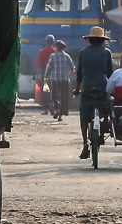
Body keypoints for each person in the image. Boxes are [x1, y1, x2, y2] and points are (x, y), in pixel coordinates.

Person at [75, 26, 116, 160]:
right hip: (103, 85)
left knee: (84, 113)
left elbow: (79, 73)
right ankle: (103, 126)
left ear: (90, 40)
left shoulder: (83, 52)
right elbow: (110, 72)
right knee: (107, 108)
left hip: (87, 86)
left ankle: (85, 144)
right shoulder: (107, 53)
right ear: (102, 40)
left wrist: (77, 88)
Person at [42, 39, 75, 122]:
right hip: (65, 80)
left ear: (56, 47)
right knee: (64, 97)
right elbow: (73, 67)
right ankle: (60, 114)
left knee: (54, 96)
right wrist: (71, 72)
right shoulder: (67, 56)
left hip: (55, 79)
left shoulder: (53, 56)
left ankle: (57, 109)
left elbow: (48, 68)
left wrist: (45, 78)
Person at [35, 35, 58, 113]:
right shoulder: (55, 52)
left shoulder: (42, 52)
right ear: (53, 42)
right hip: (54, 75)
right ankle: (52, 109)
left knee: (45, 92)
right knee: (53, 92)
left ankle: (45, 110)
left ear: (46, 42)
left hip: (45, 75)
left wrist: (37, 76)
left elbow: (39, 66)